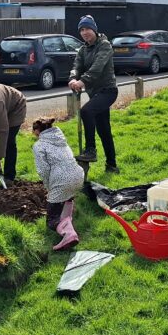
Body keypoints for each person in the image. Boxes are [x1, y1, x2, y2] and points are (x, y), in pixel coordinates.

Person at [69, 15, 120, 173]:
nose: (85, 33)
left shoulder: (105, 45)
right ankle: (112, 166)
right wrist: (72, 78)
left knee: (86, 111)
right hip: (95, 93)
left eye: (87, 29)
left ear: (94, 30)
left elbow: (97, 68)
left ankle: (90, 150)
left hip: (108, 91)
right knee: (104, 129)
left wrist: (82, 82)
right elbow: (76, 66)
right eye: (82, 30)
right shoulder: (83, 49)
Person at [31, 117, 85, 251]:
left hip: (62, 180)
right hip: (78, 175)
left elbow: (43, 170)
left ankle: (69, 234)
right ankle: (67, 221)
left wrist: (49, 187)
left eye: (33, 131)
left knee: (51, 220)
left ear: (38, 131)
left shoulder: (39, 146)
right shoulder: (61, 139)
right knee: (67, 196)